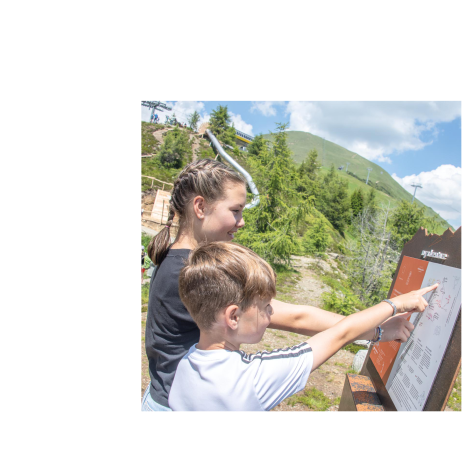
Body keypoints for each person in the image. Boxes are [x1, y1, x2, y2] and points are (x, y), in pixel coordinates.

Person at [141, 159, 415, 413]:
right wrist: (376, 330)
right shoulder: (193, 273)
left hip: (169, 395)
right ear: (200, 207)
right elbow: (297, 318)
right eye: (235, 211)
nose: (242, 221)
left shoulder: (176, 259)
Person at [168, 242, 438, 412]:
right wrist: (394, 305)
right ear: (233, 317)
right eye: (265, 307)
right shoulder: (252, 379)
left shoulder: (185, 364)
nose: (272, 313)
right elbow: (339, 335)